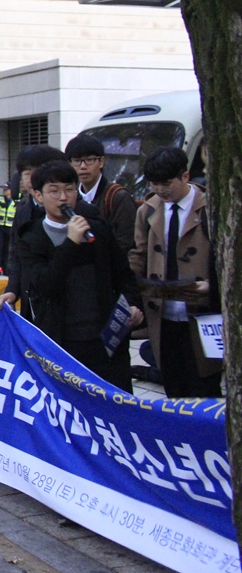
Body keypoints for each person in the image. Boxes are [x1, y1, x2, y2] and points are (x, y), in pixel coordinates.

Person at [16, 161, 143, 392]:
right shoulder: (31, 238)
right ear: (38, 195)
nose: (63, 197)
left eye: (70, 189)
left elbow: (123, 275)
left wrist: (133, 305)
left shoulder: (97, 230)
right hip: (62, 341)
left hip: (107, 339)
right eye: (54, 191)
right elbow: (46, 285)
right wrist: (70, 243)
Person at [129, 147, 220, 398]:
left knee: (204, 388)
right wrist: (133, 295)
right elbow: (138, 257)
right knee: (173, 386)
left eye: (166, 183)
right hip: (163, 316)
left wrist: (213, 287)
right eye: (154, 184)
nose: (160, 190)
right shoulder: (147, 211)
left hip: (201, 314)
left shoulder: (211, 208)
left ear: (185, 176)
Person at [0, 145, 68, 318]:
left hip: (63, 300)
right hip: (31, 299)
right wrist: (12, 290)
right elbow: (16, 255)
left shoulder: (70, 211)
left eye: (36, 172)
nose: (30, 178)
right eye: (26, 173)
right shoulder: (22, 210)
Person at [65, 133, 137, 256]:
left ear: (101, 162)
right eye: (77, 161)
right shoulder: (70, 197)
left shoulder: (118, 197)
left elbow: (125, 243)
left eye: (89, 160)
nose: (83, 166)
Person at [0, 182, 16, 270]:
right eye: (3, 189)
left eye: (6, 189)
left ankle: (5, 268)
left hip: (10, 227)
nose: (4, 191)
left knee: (7, 249)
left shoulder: (15, 200)